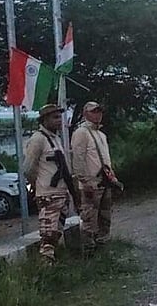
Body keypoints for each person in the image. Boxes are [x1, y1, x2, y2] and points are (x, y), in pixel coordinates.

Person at [23, 104, 70, 264]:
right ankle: (45, 272)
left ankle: (52, 267)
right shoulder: (38, 139)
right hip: (48, 195)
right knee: (48, 237)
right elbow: (28, 168)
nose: (58, 121)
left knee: (56, 233)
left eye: (59, 117)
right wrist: (37, 185)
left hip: (61, 193)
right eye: (54, 117)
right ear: (44, 120)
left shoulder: (55, 138)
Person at [71, 101, 114, 254]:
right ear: (85, 114)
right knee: (90, 219)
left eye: (99, 111)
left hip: (104, 182)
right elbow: (78, 159)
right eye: (94, 111)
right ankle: (89, 252)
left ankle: (103, 247)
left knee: (105, 216)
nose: (98, 114)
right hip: (91, 184)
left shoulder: (100, 134)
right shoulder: (81, 133)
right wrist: (85, 181)